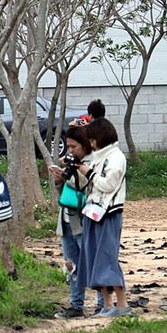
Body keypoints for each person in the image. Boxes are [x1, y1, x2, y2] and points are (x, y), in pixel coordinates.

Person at [76, 118, 129, 317]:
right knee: (95, 259)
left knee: (107, 259)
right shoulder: (99, 157)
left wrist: (87, 172)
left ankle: (122, 305)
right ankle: (107, 305)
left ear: (99, 138)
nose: (90, 144)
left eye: (92, 139)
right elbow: (90, 185)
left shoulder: (116, 158)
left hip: (109, 214)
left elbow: (108, 185)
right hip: (94, 212)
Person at [48, 126, 103, 318]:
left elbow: (86, 187)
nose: (71, 151)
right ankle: (76, 304)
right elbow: (65, 194)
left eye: (74, 146)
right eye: (68, 147)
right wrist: (58, 179)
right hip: (66, 220)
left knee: (93, 262)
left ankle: (103, 304)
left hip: (83, 221)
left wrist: (68, 173)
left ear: (85, 144)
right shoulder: (72, 164)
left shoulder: (92, 164)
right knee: (71, 264)